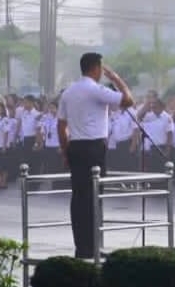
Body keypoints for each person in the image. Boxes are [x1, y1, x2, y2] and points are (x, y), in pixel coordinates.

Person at [57, 52, 134, 259]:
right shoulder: (96, 90)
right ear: (95, 68)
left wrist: (65, 152)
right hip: (93, 148)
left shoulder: (69, 92)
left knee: (79, 198)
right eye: (101, 68)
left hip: (75, 146)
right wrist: (116, 78)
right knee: (94, 197)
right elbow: (128, 100)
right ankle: (91, 247)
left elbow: (61, 125)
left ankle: (82, 247)